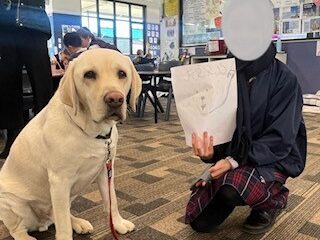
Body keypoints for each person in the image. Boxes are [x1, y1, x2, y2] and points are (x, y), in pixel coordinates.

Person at [185, 44, 307, 234]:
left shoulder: (285, 78)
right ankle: (243, 183)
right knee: (199, 222)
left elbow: (280, 139)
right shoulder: (224, 76)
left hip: (274, 156)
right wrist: (211, 154)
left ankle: (273, 201)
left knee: (230, 189)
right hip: (236, 155)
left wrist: (232, 161)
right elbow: (220, 129)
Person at [0, 0, 53, 159]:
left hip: (34, 25)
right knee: (7, 87)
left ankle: (49, 138)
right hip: (6, 28)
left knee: (42, 85)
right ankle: (13, 139)